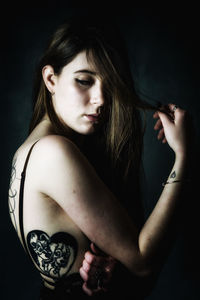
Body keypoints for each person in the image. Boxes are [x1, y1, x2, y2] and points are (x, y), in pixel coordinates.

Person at [8, 16, 191, 299]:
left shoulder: (28, 152)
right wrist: (184, 156)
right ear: (51, 79)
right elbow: (143, 263)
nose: (101, 99)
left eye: (108, 84)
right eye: (84, 81)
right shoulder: (53, 153)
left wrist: (114, 275)